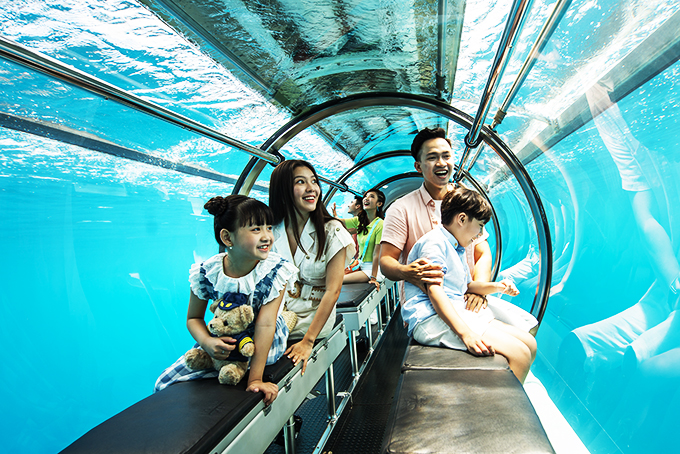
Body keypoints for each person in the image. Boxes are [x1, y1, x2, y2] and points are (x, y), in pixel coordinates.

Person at [380, 127, 537, 332]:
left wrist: (478, 291)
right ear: (418, 166)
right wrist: (407, 272)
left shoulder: (466, 200)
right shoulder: (401, 209)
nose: (442, 163)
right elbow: (386, 261)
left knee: (528, 327)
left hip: (468, 296)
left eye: (446, 156)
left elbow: (482, 252)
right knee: (514, 346)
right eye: (432, 157)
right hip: (430, 306)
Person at [154, 195, 297, 406]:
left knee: (266, 331)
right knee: (163, 382)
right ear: (227, 238)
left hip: (261, 338)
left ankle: (285, 319)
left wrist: (256, 379)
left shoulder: (275, 270)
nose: (267, 236)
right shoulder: (207, 272)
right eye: (256, 229)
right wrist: (207, 342)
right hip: (225, 336)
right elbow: (194, 318)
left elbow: (265, 324)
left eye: (268, 227)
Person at [402, 187, 536, 382]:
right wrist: (466, 334)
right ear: (462, 219)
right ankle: (503, 410)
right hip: (430, 318)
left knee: (529, 343)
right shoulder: (434, 243)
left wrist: (498, 287)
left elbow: (467, 286)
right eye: (480, 225)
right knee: (520, 354)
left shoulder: (456, 247)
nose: (480, 233)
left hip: (455, 311)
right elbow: (435, 292)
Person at [269, 160, 356, 375]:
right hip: (280, 315)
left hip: (313, 319)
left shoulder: (332, 230)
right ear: (283, 190)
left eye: (314, 181)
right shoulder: (272, 231)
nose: (312, 189)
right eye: (301, 182)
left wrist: (308, 341)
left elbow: (333, 290)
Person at [333, 188, 386, 290]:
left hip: (373, 269)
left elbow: (376, 254)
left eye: (371, 196)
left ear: (379, 204)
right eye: (365, 196)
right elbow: (340, 221)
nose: (366, 198)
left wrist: (373, 278)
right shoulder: (360, 221)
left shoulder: (380, 224)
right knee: (333, 276)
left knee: (339, 279)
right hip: (361, 266)